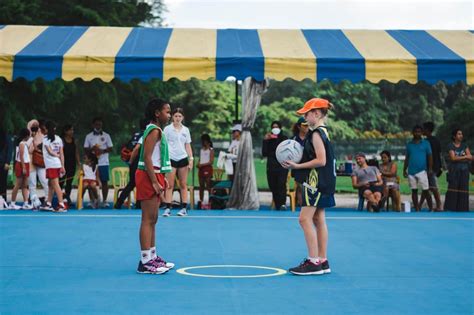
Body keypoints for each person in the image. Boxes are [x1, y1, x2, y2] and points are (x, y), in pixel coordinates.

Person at [283, 98, 336, 276]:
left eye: (307, 113)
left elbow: (321, 160)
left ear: (317, 113)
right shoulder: (324, 132)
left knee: (304, 219)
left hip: (314, 182)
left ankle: (313, 261)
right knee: (319, 218)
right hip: (325, 181)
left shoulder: (315, 134)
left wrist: (296, 166)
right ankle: (322, 260)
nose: (305, 116)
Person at [135, 98, 174, 274]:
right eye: (167, 111)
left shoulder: (157, 130)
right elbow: (148, 158)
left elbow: (156, 158)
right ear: (157, 113)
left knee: (154, 219)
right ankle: (145, 262)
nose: (170, 114)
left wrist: (162, 177)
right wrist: (153, 181)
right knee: (147, 219)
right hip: (147, 175)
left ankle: (152, 256)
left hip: (154, 173)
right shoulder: (154, 131)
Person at [163, 107, 193, 217]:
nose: (178, 118)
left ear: (183, 118)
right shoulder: (167, 129)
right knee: (169, 185)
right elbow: (164, 145)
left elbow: (188, 145)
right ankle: (167, 208)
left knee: (183, 184)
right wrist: (164, 159)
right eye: (176, 116)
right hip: (171, 158)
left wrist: (191, 159)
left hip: (182, 158)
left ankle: (184, 208)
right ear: (172, 117)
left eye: (180, 116)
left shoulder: (186, 130)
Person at [114, 119, 147, 209]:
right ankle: (139, 204)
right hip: (141, 162)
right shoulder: (146, 135)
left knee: (132, 183)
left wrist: (130, 160)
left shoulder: (135, 135)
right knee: (141, 183)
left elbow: (128, 147)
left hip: (132, 162)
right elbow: (137, 149)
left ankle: (119, 202)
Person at [84, 117, 113, 208]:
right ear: (93, 125)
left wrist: (102, 151)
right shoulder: (89, 136)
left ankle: (104, 201)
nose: (98, 126)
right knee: (90, 181)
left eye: (100, 124)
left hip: (103, 161)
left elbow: (110, 148)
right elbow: (85, 148)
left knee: (104, 181)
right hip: (92, 163)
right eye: (96, 124)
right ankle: (92, 200)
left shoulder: (106, 135)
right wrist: (92, 149)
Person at [403, 125, 433, 211]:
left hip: (422, 171)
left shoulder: (426, 143)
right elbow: (407, 157)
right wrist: (404, 169)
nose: (417, 133)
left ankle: (431, 208)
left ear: (422, 133)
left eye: (419, 132)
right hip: (411, 171)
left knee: (426, 190)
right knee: (414, 190)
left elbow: (430, 156)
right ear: (413, 133)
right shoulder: (409, 144)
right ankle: (416, 208)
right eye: (416, 132)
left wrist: (430, 168)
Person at [262, 121, 289, 210]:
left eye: (277, 127)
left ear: (280, 128)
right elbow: (264, 153)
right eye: (273, 127)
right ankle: (277, 204)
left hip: (282, 165)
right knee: (272, 185)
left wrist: (277, 139)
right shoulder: (268, 139)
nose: (275, 128)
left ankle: (282, 204)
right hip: (271, 166)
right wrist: (265, 141)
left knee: (281, 184)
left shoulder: (284, 138)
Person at [444, 129, 472, 211]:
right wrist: (465, 157)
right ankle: (451, 208)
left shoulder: (464, 145)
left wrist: (459, 158)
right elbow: (453, 158)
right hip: (454, 171)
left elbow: (470, 157)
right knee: (453, 189)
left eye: (461, 134)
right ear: (454, 136)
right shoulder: (450, 146)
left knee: (464, 189)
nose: (461, 135)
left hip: (464, 171)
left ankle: (463, 208)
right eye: (459, 134)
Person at [41, 121, 67, 212]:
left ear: (46, 129)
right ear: (55, 128)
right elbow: (62, 154)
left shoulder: (45, 139)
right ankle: (48, 203)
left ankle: (61, 204)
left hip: (51, 165)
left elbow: (49, 151)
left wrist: (56, 156)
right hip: (57, 164)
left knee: (55, 185)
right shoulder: (59, 138)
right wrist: (62, 166)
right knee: (50, 184)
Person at [26, 119, 48, 206]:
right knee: (32, 183)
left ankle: (47, 199)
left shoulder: (42, 135)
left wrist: (38, 147)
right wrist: (32, 136)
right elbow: (29, 150)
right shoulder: (27, 136)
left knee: (44, 180)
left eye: (36, 126)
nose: (35, 128)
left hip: (40, 160)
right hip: (30, 161)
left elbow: (45, 147)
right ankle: (33, 201)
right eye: (33, 126)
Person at [9, 128, 32, 209]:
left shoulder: (24, 143)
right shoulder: (21, 143)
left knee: (25, 185)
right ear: (26, 136)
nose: (30, 136)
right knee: (18, 184)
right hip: (21, 164)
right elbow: (21, 156)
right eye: (29, 135)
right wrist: (24, 167)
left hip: (26, 163)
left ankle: (25, 203)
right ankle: (12, 203)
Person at [423, 122, 443, 211]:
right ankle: (422, 205)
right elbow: (440, 154)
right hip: (433, 167)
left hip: (431, 168)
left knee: (434, 187)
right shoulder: (436, 140)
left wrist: (435, 168)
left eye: (423, 129)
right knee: (426, 187)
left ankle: (439, 205)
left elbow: (437, 155)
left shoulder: (427, 142)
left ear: (427, 130)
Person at [60, 124, 81, 205]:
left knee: (69, 182)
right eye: (71, 130)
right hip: (63, 164)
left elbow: (76, 152)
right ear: (65, 131)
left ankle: (67, 197)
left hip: (72, 164)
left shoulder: (74, 140)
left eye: (73, 130)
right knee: (61, 182)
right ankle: (59, 197)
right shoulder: (61, 140)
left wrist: (78, 162)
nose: (72, 131)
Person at [291, 117, 309, 207]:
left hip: (309, 166)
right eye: (304, 125)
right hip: (297, 167)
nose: (307, 127)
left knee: (309, 187)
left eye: (307, 125)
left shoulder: (312, 138)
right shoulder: (293, 139)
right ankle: (302, 205)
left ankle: (309, 205)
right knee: (300, 187)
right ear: (299, 127)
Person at [197, 134, 214, 210]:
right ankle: (201, 201)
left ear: (208, 141)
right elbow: (200, 159)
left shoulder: (211, 150)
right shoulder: (201, 150)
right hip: (201, 169)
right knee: (201, 186)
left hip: (207, 168)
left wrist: (202, 165)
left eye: (205, 141)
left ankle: (210, 201)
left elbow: (211, 161)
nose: (204, 142)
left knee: (208, 185)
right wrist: (198, 164)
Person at [0, 127, 13, 204]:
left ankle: (3, 200)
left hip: (3, 163)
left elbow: (10, 150)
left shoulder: (6, 136)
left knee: (3, 183)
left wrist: (7, 162)